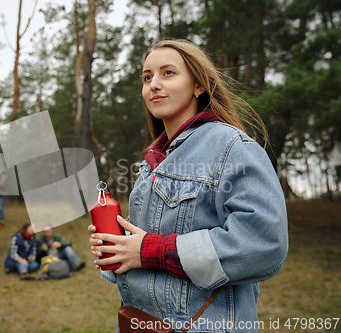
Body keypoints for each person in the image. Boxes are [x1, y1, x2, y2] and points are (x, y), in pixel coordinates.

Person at [87, 40, 288, 333]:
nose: (154, 84)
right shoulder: (154, 159)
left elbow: (265, 242)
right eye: (147, 77)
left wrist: (149, 250)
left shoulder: (232, 146)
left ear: (198, 86)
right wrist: (120, 246)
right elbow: (153, 236)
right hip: (141, 323)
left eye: (168, 73)